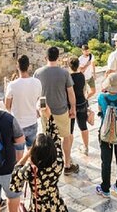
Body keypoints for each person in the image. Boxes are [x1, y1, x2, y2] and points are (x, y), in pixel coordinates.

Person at [10, 105, 68, 212]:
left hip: (38, 207)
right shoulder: (59, 162)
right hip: (56, 205)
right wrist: (49, 116)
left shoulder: (30, 170)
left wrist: (27, 154)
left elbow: (14, 180)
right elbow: (56, 138)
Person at [34, 47, 79, 175]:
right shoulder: (64, 73)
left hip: (45, 111)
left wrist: (36, 109)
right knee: (66, 136)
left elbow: (36, 94)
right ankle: (67, 164)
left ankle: (49, 163)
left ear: (45, 57)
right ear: (58, 58)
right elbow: (71, 92)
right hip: (61, 110)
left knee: (48, 138)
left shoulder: (38, 73)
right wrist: (73, 108)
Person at [95, 73, 117, 198]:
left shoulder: (101, 97)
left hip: (105, 133)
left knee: (106, 161)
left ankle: (105, 189)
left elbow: (100, 113)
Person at [5, 55, 42, 149]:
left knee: (18, 155)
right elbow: (37, 99)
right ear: (29, 66)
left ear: (17, 66)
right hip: (32, 121)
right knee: (31, 152)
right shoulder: (37, 83)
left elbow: (7, 106)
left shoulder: (12, 85)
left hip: (18, 124)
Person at [68, 57, 93, 155]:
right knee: (83, 126)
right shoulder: (81, 76)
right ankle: (86, 147)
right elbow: (83, 90)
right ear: (78, 65)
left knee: (70, 130)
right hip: (82, 103)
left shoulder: (68, 77)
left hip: (71, 105)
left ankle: (68, 151)